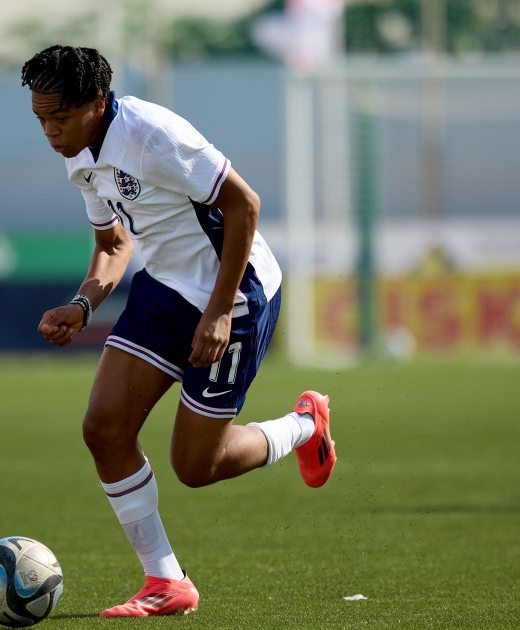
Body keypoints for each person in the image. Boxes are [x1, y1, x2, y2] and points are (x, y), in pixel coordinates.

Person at [21, 45, 337, 618]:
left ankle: (304, 424)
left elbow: (245, 206)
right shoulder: (79, 155)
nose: (49, 132)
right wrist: (83, 304)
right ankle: (166, 581)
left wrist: (219, 311)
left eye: (58, 118)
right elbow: (114, 245)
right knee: (103, 428)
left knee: (196, 467)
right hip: (165, 290)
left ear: (96, 103)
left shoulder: (153, 135)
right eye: (40, 119)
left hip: (236, 296)